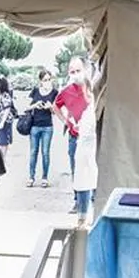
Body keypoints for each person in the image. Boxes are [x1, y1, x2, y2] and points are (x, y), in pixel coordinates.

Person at [53, 56, 91, 190]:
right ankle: (78, 197)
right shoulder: (66, 92)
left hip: (91, 137)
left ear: (85, 70)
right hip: (75, 137)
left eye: (78, 71)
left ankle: (92, 197)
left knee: (91, 169)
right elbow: (55, 106)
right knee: (76, 169)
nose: (75, 75)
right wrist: (65, 121)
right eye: (72, 72)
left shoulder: (92, 88)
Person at [71, 77, 99, 222]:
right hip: (83, 149)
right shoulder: (86, 107)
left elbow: (90, 129)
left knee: (90, 183)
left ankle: (87, 218)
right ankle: (82, 218)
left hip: (90, 150)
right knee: (84, 183)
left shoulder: (93, 106)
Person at [26, 69, 57, 188]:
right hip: (34, 126)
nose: (47, 82)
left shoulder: (54, 92)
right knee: (33, 152)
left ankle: (45, 177)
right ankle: (31, 177)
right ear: (40, 81)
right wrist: (35, 105)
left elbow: (56, 111)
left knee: (45, 153)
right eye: (45, 80)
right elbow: (26, 107)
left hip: (47, 127)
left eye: (49, 79)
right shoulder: (35, 91)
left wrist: (50, 107)